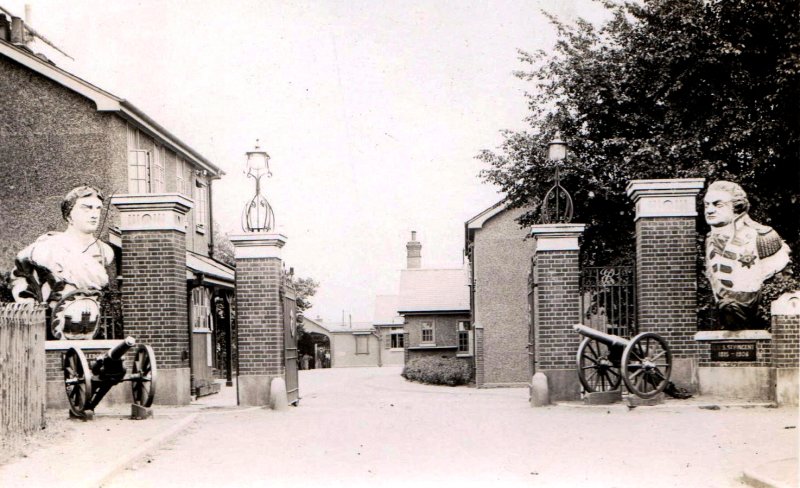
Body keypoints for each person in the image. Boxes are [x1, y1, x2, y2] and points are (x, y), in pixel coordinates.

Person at [11, 186, 114, 340]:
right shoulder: (49, 246)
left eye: (98, 209)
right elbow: (20, 271)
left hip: (88, 325)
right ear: (69, 214)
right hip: (51, 324)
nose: (94, 215)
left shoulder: (105, 251)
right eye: (86, 208)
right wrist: (27, 302)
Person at [703, 181, 791, 329]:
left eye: (718, 205)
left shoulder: (764, 237)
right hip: (724, 306)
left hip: (748, 303)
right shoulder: (709, 241)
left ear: (736, 208)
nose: (709, 210)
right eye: (707, 205)